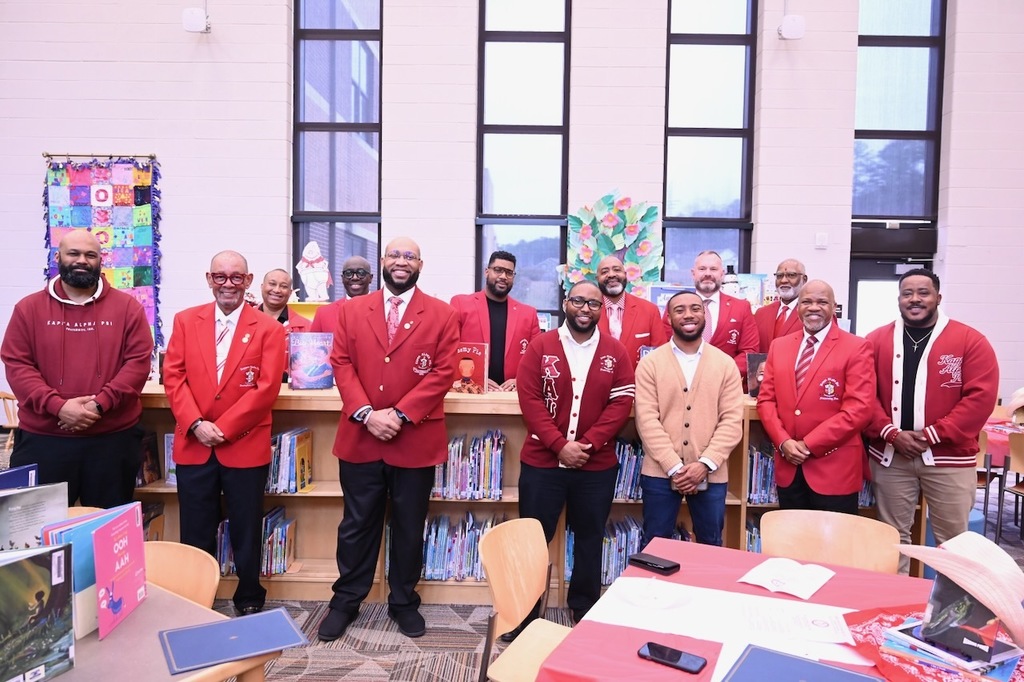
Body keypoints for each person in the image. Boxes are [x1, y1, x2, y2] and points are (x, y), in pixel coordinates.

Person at [318, 237, 459, 642]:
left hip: (413, 437)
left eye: (409, 256)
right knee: (357, 524)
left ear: (420, 263)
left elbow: (443, 371)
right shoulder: (351, 310)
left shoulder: (442, 314)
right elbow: (341, 362)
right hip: (361, 436)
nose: (401, 261)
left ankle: (403, 602)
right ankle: (345, 601)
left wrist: (398, 415)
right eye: (395, 255)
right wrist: (366, 413)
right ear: (383, 261)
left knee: (410, 525)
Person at [163, 250, 286, 615]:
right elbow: (174, 377)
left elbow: (266, 388)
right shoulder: (186, 321)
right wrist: (197, 424)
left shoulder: (269, 328)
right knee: (195, 527)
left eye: (236, 277)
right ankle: (196, 595)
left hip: (244, 444)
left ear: (249, 282)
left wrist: (226, 428)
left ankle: (249, 596)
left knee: (246, 527)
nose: (227, 283)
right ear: (209, 279)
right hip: (194, 442)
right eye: (220, 276)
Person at [1, 228, 153, 507]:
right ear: (58, 257)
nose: (82, 260)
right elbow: (18, 364)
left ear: (100, 261)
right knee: (38, 536)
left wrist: (99, 406)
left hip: (112, 441)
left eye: (90, 255)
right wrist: (58, 407)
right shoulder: (29, 308)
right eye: (74, 253)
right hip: (44, 440)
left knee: (110, 533)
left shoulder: (127, 308)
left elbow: (138, 363)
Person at [865, 269, 998, 573]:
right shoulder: (875, 340)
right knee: (892, 539)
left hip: (949, 460)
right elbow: (863, 394)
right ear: (899, 299)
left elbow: (980, 400)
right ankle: (894, 608)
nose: (915, 299)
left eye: (923, 293)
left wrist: (932, 435)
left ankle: (951, 615)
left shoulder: (970, 341)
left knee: (954, 543)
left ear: (938, 297)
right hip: (891, 457)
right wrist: (891, 433)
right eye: (907, 293)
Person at [516, 280, 635, 624]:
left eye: (593, 304)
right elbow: (530, 401)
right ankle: (525, 613)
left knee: (589, 537)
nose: (585, 309)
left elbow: (621, 403)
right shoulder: (541, 346)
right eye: (579, 301)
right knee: (535, 539)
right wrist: (559, 446)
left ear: (603, 309)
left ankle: (583, 608)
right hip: (542, 463)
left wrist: (587, 445)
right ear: (566, 303)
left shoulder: (616, 351)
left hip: (594, 465)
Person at [756, 279, 876, 515]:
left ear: (834, 307)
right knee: (793, 545)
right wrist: (783, 441)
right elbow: (766, 401)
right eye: (806, 301)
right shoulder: (779, 346)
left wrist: (808, 445)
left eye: (822, 302)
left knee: (834, 548)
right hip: (789, 466)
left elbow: (858, 410)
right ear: (798, 306)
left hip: (834, 471)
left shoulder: (857, 347)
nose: (813, 307)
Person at [635, 290, 744, 547]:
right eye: (679, 310)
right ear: (669, 318)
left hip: (712, 471)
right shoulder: (650, 363)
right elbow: (647, 420)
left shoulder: (725, 364)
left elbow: (731, 420)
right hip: (660, 472)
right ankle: (653, 589)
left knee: (710, 543)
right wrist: (675, 467)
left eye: (695, 308)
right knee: (655, 545)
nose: (688, 315)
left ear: (704, 314)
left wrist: (704, 465)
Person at [449, 250, 541, 391]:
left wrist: (520, 381)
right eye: (498, 270)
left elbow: (537, 358)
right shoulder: (461, 304)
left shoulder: (528, 314)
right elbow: (448, 350)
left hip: (512, 397)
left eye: (509, 273)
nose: (503, 276)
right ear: (487, 271)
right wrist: (477, 379)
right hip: (471, 393)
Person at [667, 251, 759, 379]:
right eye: (702, 269)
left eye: (713, 269)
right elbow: (665, 345)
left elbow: (749, 351)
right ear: (693, 274)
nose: (708, 274)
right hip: (683, 381)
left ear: (722, 274)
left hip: (726, 384)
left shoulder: (741, 308)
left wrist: (721, 373)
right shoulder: (675, 306)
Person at [595, 255, 667, 367]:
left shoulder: (649, 310)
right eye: (604, 272)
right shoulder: (588, 311)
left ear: (626, 275)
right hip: (598, 383)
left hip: (638, 382)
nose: (611, 274)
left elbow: (661, 354)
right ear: (597, 279)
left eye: (617, 270)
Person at [753, 258, 807, 353]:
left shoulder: (811, 313)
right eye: (779, 276)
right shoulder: (761, 313)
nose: (784, 280)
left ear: (804, 279)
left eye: (791, 275)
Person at [310, 255, 374, 334]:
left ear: (370, 278)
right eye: (348, 273)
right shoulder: (323, 314)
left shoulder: (385, 310)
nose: (354, 277)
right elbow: (313, 345)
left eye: (361, 273)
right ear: (342, 278)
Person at [258, 269, 311, 333]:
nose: (277, 290)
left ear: (290, 292)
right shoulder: (244, 318)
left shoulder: (306, 328)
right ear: (262, 287)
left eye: (283, 286)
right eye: (272, 284)